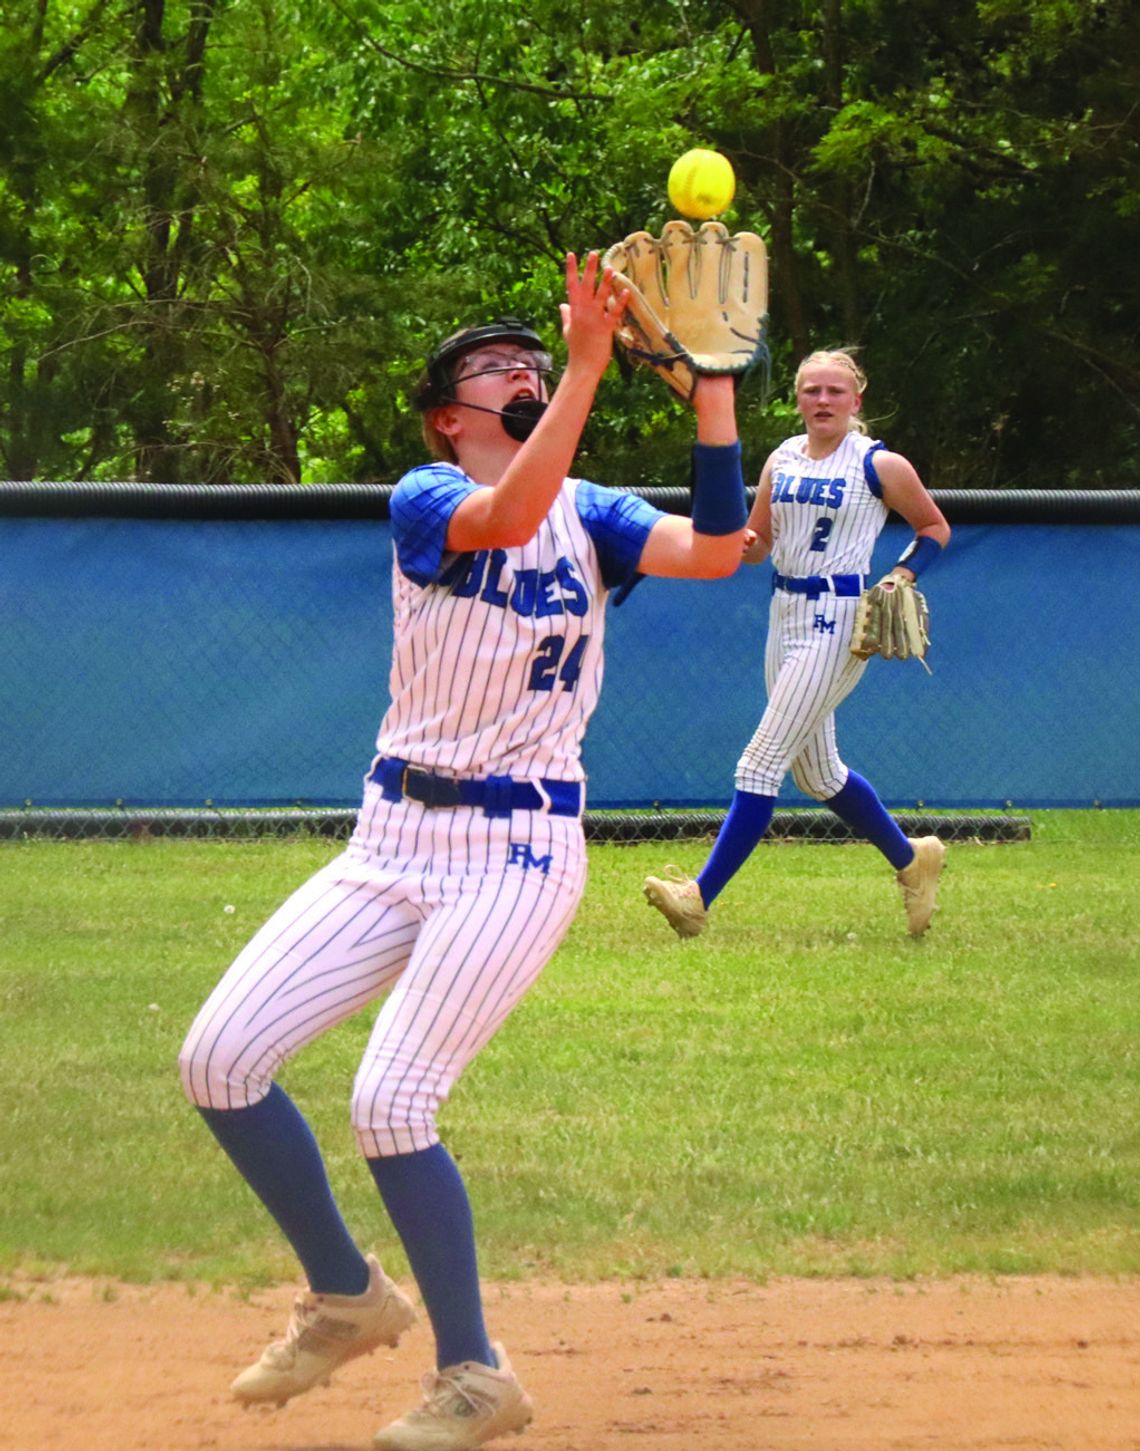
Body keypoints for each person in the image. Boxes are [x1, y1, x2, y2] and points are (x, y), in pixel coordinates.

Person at [177, 250, 750, 1451]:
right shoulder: (424, 496)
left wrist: (710, 391)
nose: (527, 369)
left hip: (519, 846)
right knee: (219, 1056)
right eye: (499, 368)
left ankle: (476, 1371)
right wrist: (591, 370)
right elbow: (507, 514)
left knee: (392, 1098)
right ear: (450, 417)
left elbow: (716, 547)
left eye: (534, 358)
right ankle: (346, 1295)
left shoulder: (593, 513)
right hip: (390, 835)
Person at [644, 347, 951, 941]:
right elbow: (756, 546)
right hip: (783, 609)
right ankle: (913, 860)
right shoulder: (782, 459)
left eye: (835, 391)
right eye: (811, 390)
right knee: (817, 774)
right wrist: (741, 536)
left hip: (839, 614)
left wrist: (903, 573)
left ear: (856, 401)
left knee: (760, 763)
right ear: (798, 398)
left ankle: (696, 897)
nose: (823, 401)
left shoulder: (879, 464)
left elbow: (934, 527)